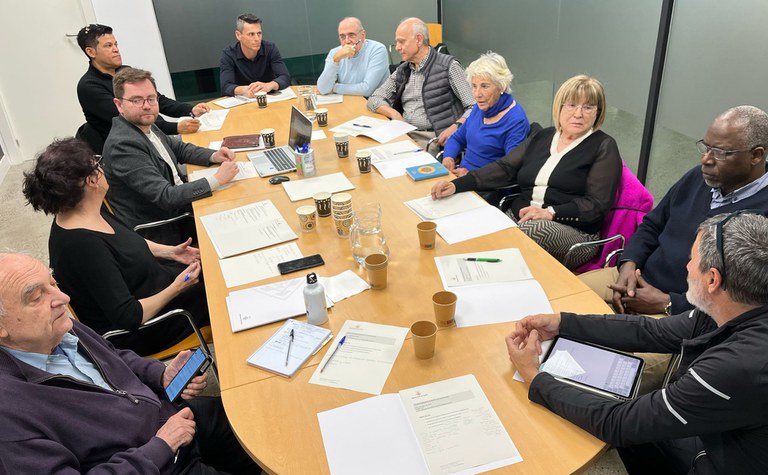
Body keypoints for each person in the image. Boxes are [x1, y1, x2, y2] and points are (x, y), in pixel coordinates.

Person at [506, 212, 768, 474]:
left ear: (712, 279)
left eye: (692, 259)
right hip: (725, 435)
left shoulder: (738, 365)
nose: (687, 266)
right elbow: (652, 331)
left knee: (613, 423)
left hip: (726, 460)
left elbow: (619, 423)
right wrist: (562, 323)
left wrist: (534, 377)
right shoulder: (736, 307)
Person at [0, 252, 261, 474]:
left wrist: (161, 375)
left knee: (255, 417)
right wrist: (160, 448)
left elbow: (115, 356)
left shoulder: (58, 328)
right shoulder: (10, 415)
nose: (63, 298)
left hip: (169, 416)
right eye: (36, 297)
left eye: (53, 283)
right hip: (155, 462)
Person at [22, 137, 209, 356]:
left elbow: (126, 242)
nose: (102, 167)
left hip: (157, 285)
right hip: (148, 329)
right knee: (220, 295)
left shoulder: (86, 209)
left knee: (215, 268)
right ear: (91, 180)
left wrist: (171, 252)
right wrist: (178, 286)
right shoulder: (82, 247)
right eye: (97, 163)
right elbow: (129, 316)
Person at [580, 105, 768, 316]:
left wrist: (669, 304)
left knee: (586, 333)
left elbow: (748, 304)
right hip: (634, 278)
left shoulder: (762, 216)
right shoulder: (697, 177)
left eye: (720, 153)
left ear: (756, 155)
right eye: (706, 147)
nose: (706, 159)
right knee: (558, 296)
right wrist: (628, 263)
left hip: (680, 315)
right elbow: (652, 224)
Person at [431, 75, 622, 269]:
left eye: (588, 107)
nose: (578, 114)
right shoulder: (543, 136)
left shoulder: (603, 146)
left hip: (572, 230)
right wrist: (456, 185)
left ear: (598, 112)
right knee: (475, 222)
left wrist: (550, 213)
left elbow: (596, 205)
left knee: (527, 232)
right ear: (559, 107)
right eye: (571, 105)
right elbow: (504, 168)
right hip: (520, 217)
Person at [103, 67, 239, 245]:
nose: (146, 105)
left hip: (180, 204)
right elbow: (166, 196)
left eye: (151, 98)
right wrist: (217, 179)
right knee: (237, 220)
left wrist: (214, 156)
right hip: (166, 226)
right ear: (119, 104)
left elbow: (179, 149)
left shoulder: (144, 124)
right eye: (136, 100)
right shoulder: (123, 146)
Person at [76, 24, 209, 149]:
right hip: (126, 148)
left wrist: (190, 110)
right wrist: (176, 127)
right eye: (108, 46)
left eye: (116, 44)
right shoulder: (89, 86)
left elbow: (158, 100)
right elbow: (130, 119)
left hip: (152, 136)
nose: (116, 50)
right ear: (91, 52)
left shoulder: (125, 71)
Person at [367, 17, 474, 150]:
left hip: (433, 138)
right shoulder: (403, 70)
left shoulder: (449, 66)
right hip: (404, 133)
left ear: (418, 39)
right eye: (396, 42)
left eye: (402, 42)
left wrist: (456, 126)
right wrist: (394, 114)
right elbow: (374, 99)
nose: (397, 48)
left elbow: (473, 107)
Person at [441, 52, 530, 177]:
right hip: (461, 176)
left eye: (485, 86)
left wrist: (471, 175)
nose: (477, 94)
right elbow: (457, 138)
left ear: (501, 86)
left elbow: (510, 168)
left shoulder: (515, 121)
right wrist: (448, 158)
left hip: (485, 183)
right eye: (474, 86)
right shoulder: (480, 107)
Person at [220, 14, 291, 97]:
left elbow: (285, 77)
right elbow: (226, 86)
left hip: (269, 97)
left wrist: (270, 85)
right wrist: (245, 90)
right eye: (251, 34)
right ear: (238, 35)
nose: (257, 39)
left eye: (259, 33)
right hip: (244, 100)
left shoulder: (270, 48)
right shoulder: (228, 54)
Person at [316, 17, 389, 97]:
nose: (347, 41)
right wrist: (335, 61)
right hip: (350, 100)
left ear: (363, 35)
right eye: (342, 37)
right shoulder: (335, 53)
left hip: (375, 101)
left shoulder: (377, 49)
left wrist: (334, 88)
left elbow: (367, 90)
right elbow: (323, 89)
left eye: (351, 35)